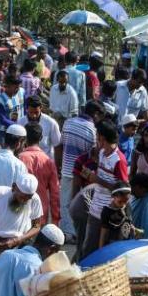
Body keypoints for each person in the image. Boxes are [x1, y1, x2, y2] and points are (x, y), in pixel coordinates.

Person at [80, 120, 130, 259]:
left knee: (100, 252)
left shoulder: (119, 160)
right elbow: (103, 177)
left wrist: (97, 180)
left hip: (109, 214)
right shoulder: (102, 153)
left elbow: (124, 191)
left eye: (97, 136)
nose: (96, 139)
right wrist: (91, 175)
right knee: (89, 248)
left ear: (102, 138)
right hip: (95, 209)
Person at [55, 101, 101, 244]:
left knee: (65, 203)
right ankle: (76, 232)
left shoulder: (68, 123)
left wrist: (58, 166)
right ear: (96, 114)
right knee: (81, 202)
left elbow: (60, 147)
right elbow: (93, 155)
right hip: (83, 173)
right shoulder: (92, 130)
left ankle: (67, 232)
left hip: (67, 169)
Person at [19, 123, 60, 225]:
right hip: (41, 215)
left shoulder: (19, 159)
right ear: (41, 138)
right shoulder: (48, 162)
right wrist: (55, 220)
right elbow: (55, 194)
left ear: (24, 138)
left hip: (20, 213)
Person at [18, 94, 60, 160]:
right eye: (31, 112)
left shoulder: (51, 123)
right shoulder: (20, 122)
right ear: (27, 109)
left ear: (41, 108)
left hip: (45, 163)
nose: (33, 115)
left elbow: (57, 146)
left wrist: (56, 167)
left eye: (36, 112)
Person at [98, 182, 138, 248]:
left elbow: (128, 221)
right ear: (113, 196)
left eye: (126, 201)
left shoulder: (127, 206)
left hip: (126, 243)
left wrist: (133, 228)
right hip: (113, 245)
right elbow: (103, 233)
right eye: (120, 202)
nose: (123, 204)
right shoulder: (107, 211)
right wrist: (100, 250)